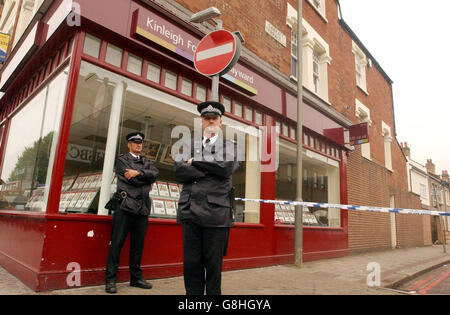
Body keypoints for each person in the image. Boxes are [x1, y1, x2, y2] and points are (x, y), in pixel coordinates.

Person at [174, 101, 240, 295]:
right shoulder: (188, 145)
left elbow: (225, 167)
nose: (210, 122)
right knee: (191, 266)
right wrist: (208, 169)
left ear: (220, 122)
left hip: (216, 214)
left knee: (213, 268)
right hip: (190, 211)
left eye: (214, 118)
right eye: (206, 119)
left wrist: (195, 163)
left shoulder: (230, 145)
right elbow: (179, 170)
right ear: (201, 122)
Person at [105, 131, 159, 294]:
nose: (138, 145)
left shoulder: (146, 161)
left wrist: (139, 173)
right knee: (117, 243)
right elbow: (132, 179)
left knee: (138, 245)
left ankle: (135, 278)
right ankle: (110, 280)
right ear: (129, 144)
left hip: (142, 207)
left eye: (140, 143)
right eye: (135, 142)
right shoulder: (122, 160)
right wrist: (143, 176)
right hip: (125, 206)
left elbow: (155, 174)